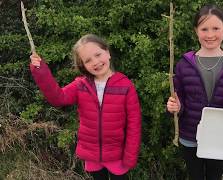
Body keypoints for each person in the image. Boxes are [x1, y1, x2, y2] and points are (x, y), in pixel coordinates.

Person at [30, 34, 141, 180]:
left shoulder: (126, 86)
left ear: (107, 52)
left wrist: (130, 156)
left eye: (98, 54)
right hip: (92, 156)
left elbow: (134, 124)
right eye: (88, 60)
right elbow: (58, 98)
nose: (95, 62)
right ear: (83, 65)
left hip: (117, 155)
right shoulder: (80, 85)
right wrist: (40, 71)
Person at [166, 4, 223, 180]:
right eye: (204, 29)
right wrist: (175, 106)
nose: (210, 34)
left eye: (216, 28)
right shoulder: (184, 64)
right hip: (190, 135)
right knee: (195, 176)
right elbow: (178, 97)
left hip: (220, 135)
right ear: (196, 31)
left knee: (214, 176)